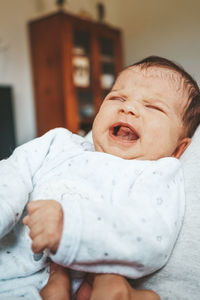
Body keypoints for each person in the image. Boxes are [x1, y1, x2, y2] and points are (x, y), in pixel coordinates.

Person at [0, 56, 199, 300]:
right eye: (117, 98)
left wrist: (69, 229)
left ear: (179, 149)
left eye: (153, 107)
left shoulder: (157, 174)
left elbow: (151, 237)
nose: (129, 108)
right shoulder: (59, 142)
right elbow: (14, 169)